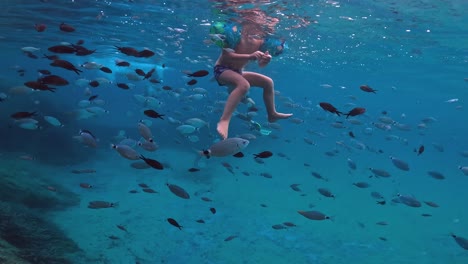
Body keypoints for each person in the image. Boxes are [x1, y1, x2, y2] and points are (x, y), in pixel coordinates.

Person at [211, 18, 292, 140]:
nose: (256, 30)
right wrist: (249, 56)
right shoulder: (235, 37)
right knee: (244, 85)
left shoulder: (261, 43)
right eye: (252, 25)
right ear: (244, 25)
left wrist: (265, 60)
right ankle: (224, 120)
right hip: (222, 70)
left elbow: (261, 65)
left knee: (268, 82)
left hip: (238, 72)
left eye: (259, 27)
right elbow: (228, 55)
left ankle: (272, 114)